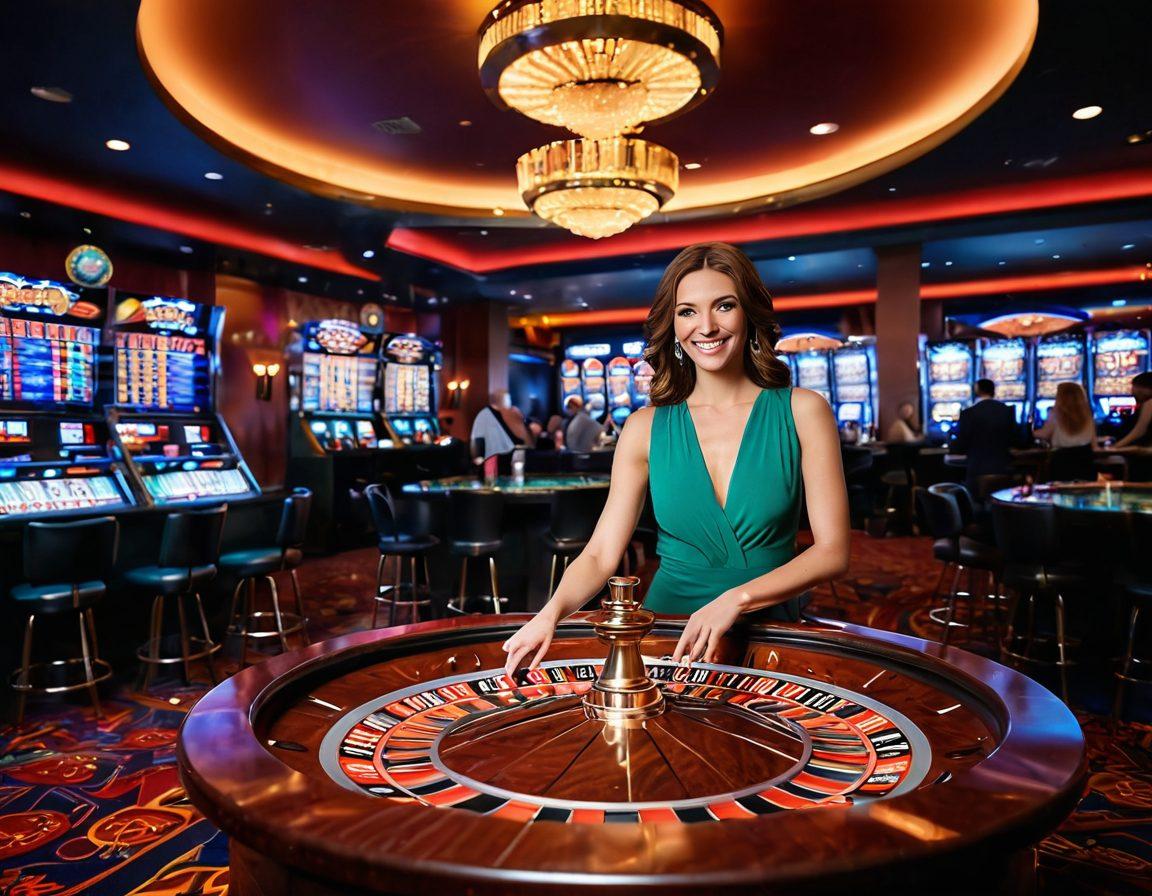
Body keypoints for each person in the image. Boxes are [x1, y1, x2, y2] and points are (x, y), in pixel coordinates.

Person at [502, 242, 850, 675]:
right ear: (672, 324)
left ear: (749, 313)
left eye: (723, 306)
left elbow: (834, 551)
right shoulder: (645, 427)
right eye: (687, 311)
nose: (706, 326)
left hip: (767, 632)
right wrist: (550, 614)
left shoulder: (802, 410)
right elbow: (600, 554)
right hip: (668, 630)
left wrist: (735, 600)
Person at [950, 378, 1025, 493]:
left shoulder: (968, 413)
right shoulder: (1008, 411)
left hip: (977, 472)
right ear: (993, 391)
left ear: (977, 390)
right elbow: (1018, 440)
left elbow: (960, 446)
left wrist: (950, 439)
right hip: (1003, 471)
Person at [1033, 381, 1098, 481]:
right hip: (1086, 463)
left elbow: (1045, 434)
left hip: (1061, 463)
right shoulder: (1088, 416)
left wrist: (1029, 433)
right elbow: (1094, 445)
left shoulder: (1055, 414)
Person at [1113, 371, 1152, 448]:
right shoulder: (1144, 404)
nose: (1133, 391)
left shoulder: (1149, 403)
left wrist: (1115, 447)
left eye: (1136, 386)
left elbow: (1139, 431)